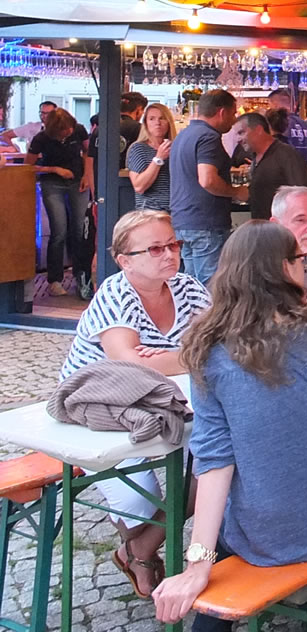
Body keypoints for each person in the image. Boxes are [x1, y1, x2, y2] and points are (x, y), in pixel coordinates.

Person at [150, 221, 307, 632]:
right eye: (299, 259)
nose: (306, 266)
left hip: (278, 527)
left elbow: (214, 460)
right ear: (280, 269)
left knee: (244, 507)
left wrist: (197, 564)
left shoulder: (207, 351)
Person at [58, 210, 211, 599]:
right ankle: (142, 551)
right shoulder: (115, 291)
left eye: (173, 244)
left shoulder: (189, 289)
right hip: (98, 411)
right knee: (137, 503)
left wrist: (162, 357)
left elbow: (220, 345)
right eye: (156, 248)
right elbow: (127, 366)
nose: (169, 254)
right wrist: (187, 353)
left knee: (216, 462)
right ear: (125, 260)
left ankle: (138, 550)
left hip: (164, 403)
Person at [168, 90, 247, 284]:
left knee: (191, 285)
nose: (234, 118)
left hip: (182, 220)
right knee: (210, 285)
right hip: (206, 222)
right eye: (233, 113)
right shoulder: (208, 137)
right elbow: (207, 179)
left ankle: (193, 316)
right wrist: (237, 192)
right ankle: (209, 316)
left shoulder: (183, 135)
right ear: (222, 112)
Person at [26, 107, 92, 297]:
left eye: (70, 128)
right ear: (54, 130)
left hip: (78, 181)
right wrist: (54, 169)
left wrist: (87, 176)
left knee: (81, 231)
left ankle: (82, 278)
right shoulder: (42, 138)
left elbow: (88, 153)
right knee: (59, 231)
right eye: (64, 131)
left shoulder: (78, 130)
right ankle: (54, 280)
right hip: (52, 184)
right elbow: (29, 165)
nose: (69, 132)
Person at [235, 112, 307, 220]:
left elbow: (304, 194)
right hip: (262, 227)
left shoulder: (286, 154)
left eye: (241, 132)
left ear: (258, 130)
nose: (238, 139)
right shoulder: (255, 157)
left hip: (282, 229)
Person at [127, 103, 177, 212]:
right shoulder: (138, 149)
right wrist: (158, 159)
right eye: (152, 119)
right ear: (145, 123)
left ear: (169, 122)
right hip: (150, 213)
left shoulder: (178, 148)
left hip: (177, 212)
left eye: (162, 118)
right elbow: (139, 187)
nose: (157, 123)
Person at [267, 88, 307, 164]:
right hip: (301, 170)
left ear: (274, 105)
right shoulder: (305, 124)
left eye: (269, 105)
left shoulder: (277, 122)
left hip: (283, 169)